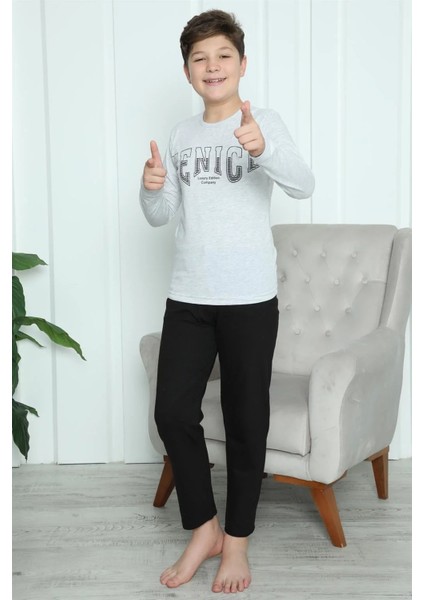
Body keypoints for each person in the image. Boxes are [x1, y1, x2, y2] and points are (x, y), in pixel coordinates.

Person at [139, 9, 315, 594]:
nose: (211, 66)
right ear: (187, 71)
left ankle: (237, 541)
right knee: (172, 412)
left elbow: (303, 184)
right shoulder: (181, 135)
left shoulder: (262, 121)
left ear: (242, 64)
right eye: (200, 58)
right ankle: (205, 528)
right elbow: (162, 215)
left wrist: (262, 149)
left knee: (246, 421)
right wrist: (150, 188)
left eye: (222, 56)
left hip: (248, 299)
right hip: (188, 296)